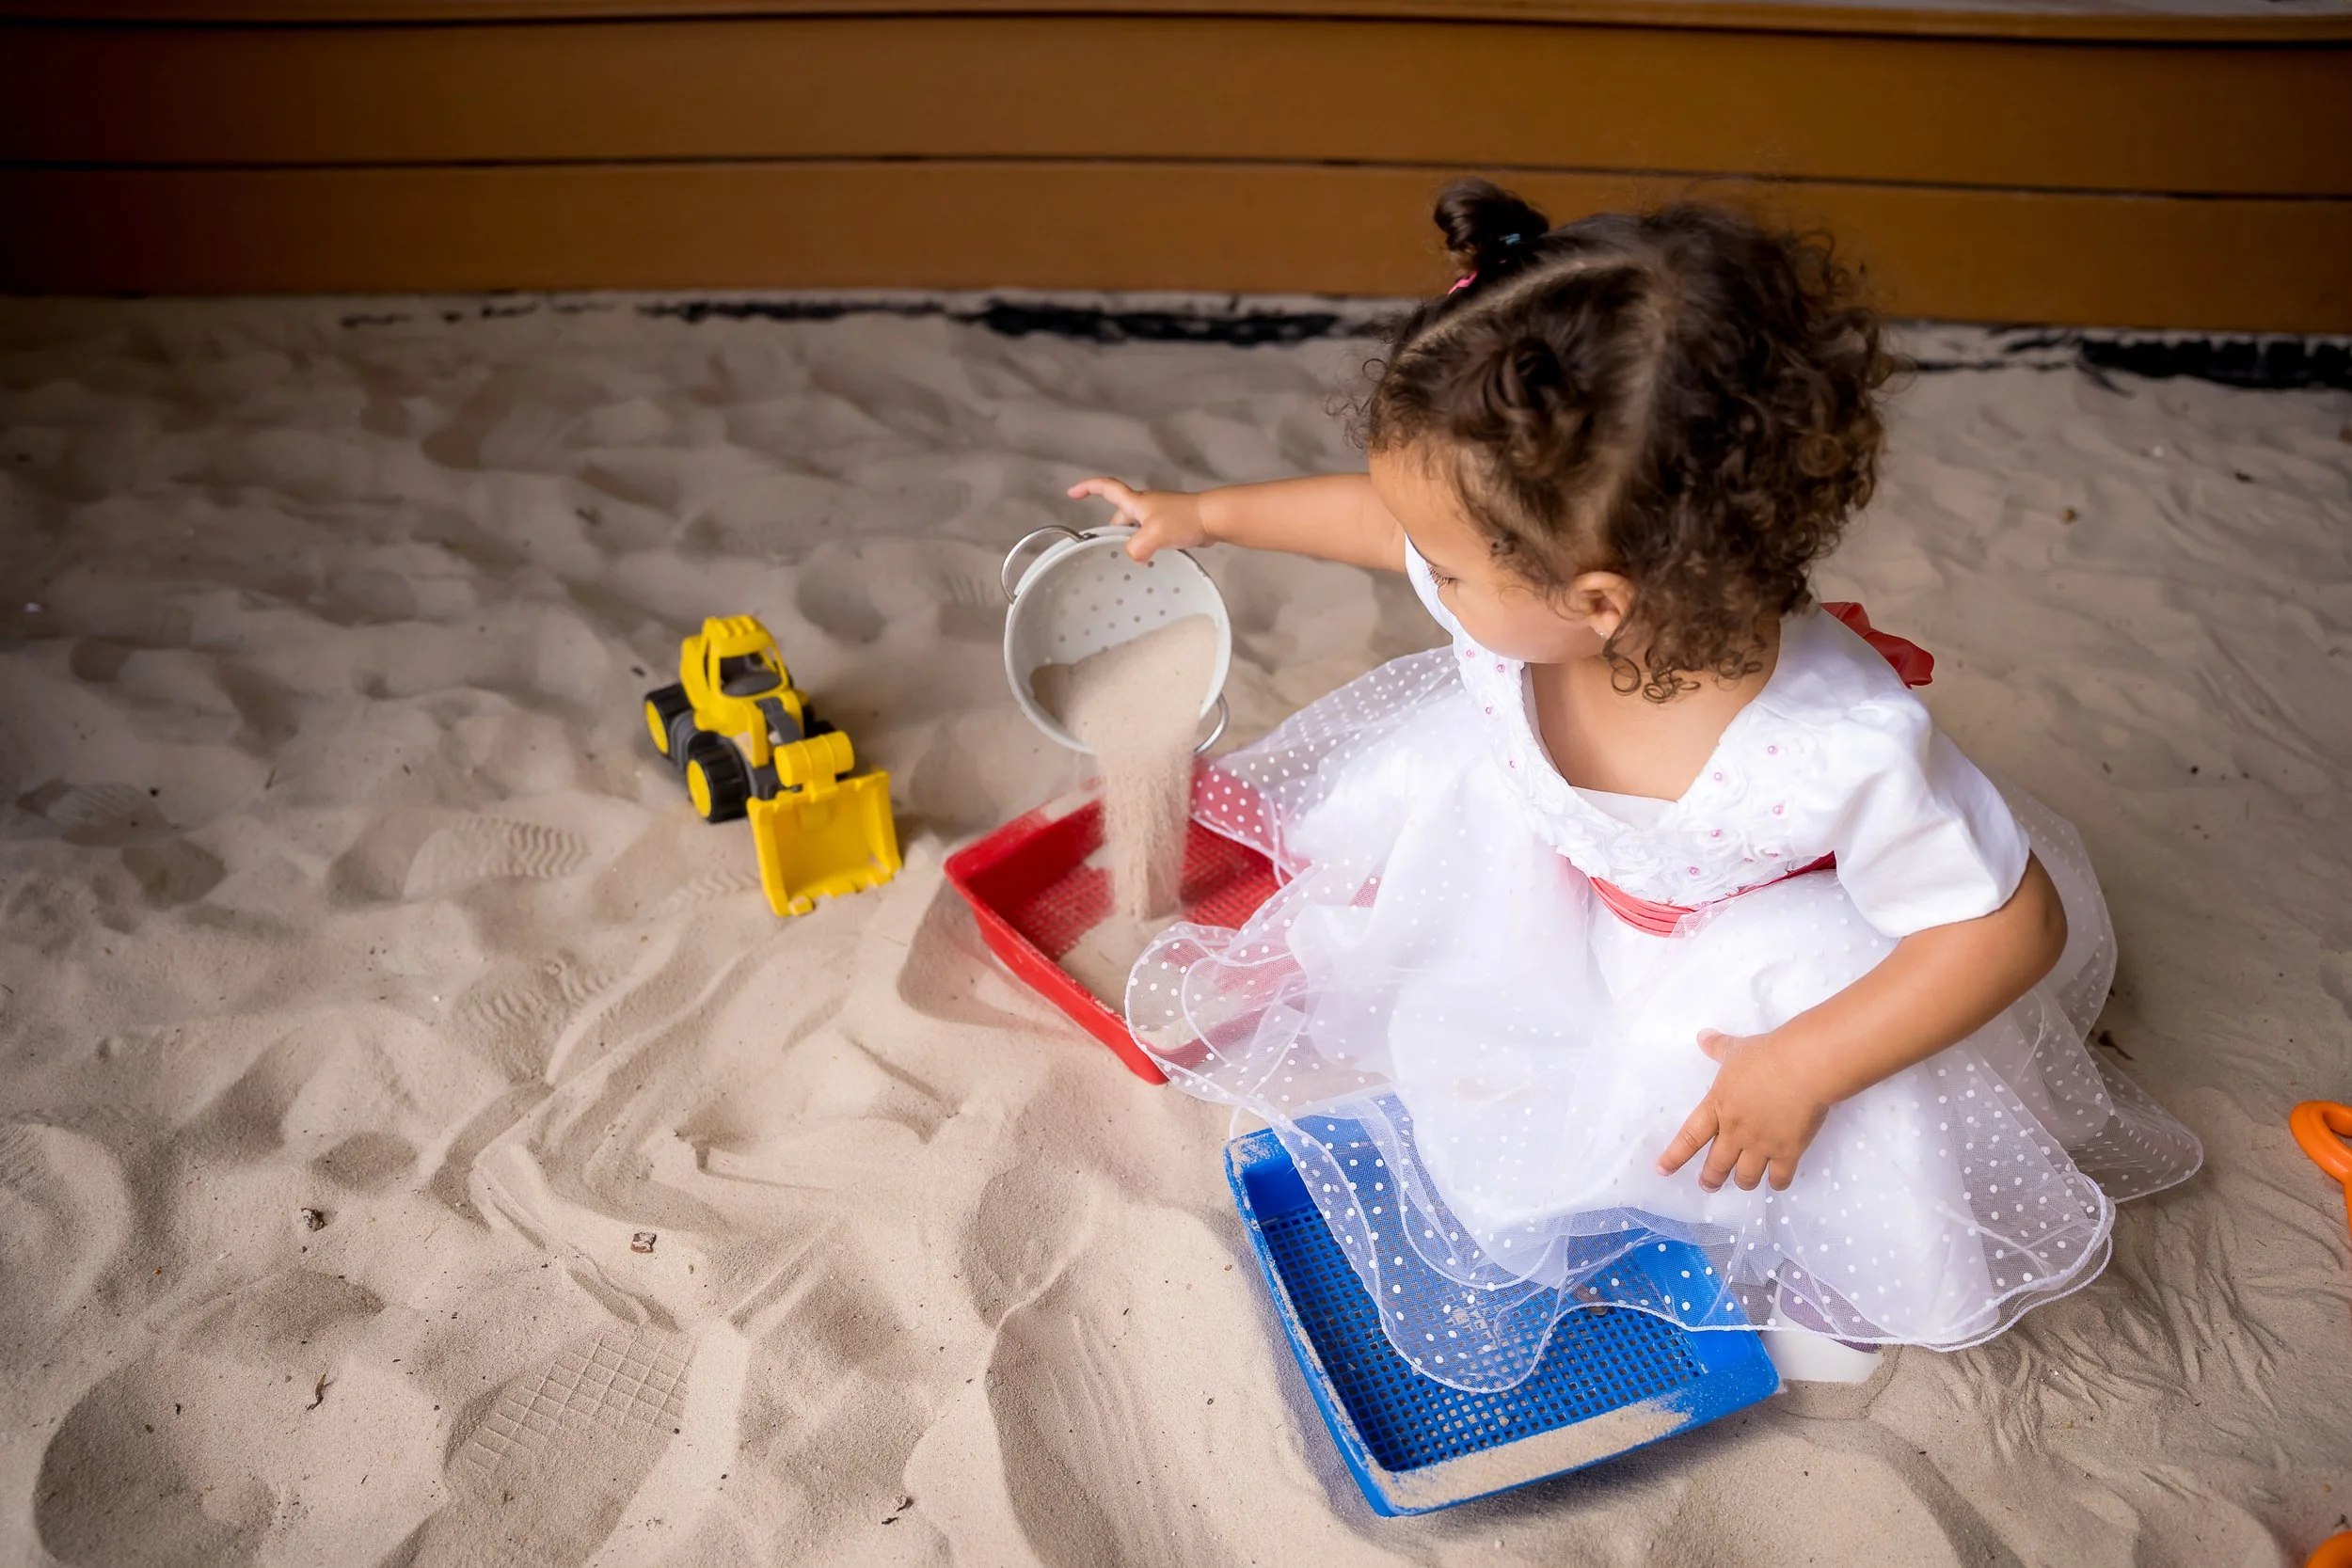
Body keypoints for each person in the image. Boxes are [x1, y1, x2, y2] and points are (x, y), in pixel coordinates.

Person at [1064, 179, 2201, 1391]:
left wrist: (1805, 1064)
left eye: (1444, 571)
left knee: (1775, 1093)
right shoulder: (1527, 569)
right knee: (1461, 964)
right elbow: (1376, 518)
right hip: (1561, 865)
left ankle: (1838, 1271)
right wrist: (1208, 515)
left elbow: (2013, 924)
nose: (1420, 575)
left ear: (1597, 601)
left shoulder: (1833, 743)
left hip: (1755, 961)